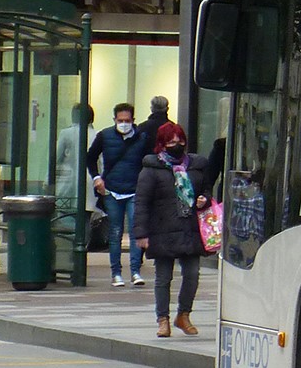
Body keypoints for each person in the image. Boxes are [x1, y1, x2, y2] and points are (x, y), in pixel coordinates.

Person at [133, 121, 217, 339]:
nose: (176, 144)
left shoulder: (197, 166)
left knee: (192, 274)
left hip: (190, 228)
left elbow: (207, 189)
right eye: (171, 141)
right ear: (161, 144)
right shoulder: (151, 169)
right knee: (163, 278)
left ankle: (184, 314)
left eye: (179, 140)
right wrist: (140, 234)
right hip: (162, 229)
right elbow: (141, 202)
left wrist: (204, 199)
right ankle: (163, 320)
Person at [85, 102, 154, 287]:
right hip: (112, 190)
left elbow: (149, 160)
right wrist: (97, 178)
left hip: (134, 190)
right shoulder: (104, 136)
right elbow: (90, 157)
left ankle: (135, 272)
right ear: (114, 120)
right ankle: (116, 273)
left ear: (133, 120)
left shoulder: (142, 138)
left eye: (127, 120)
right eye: (120, 120)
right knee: (115, 232)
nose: (124, 123)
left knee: (135, 231)